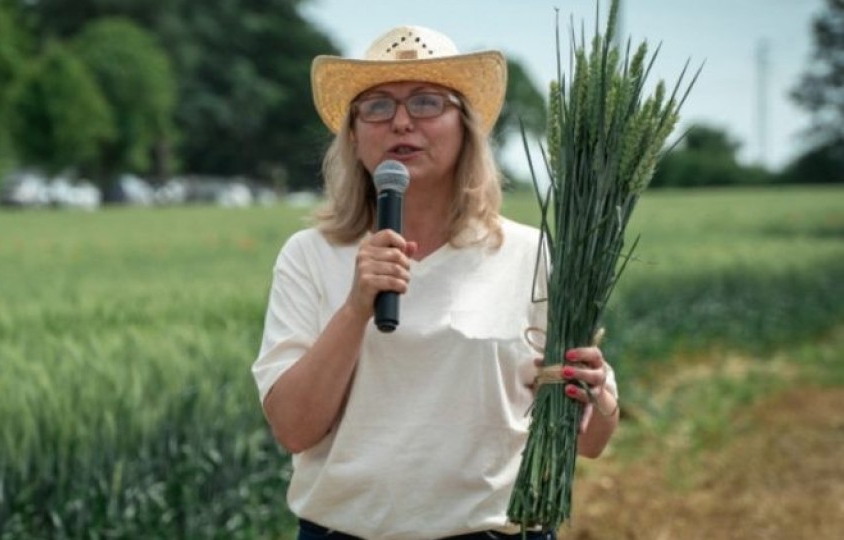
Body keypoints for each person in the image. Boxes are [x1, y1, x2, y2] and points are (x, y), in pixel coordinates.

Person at [252, 25, 619, 540]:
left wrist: (597, 394)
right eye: (377, 106)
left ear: (465, 127)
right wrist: (356, 306)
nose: (402, 121)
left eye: (427, 102)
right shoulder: (310, 257)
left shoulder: (529, 254)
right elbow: (293, 428)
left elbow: (592, 440)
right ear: (354, 137)